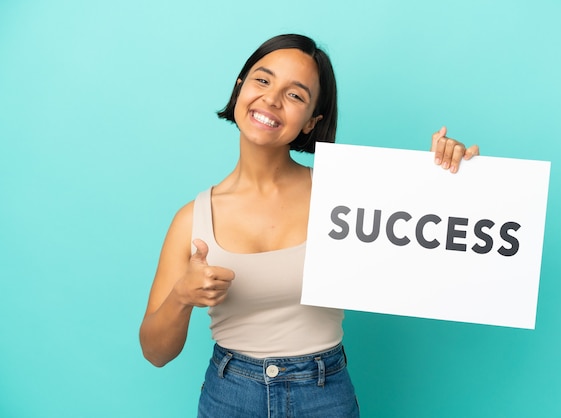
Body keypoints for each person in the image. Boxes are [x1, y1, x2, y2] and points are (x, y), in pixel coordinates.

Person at [139, 34, 479, 418]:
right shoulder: (193, 218)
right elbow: (155, 352)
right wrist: (182, 296)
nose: (271, 99)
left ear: (311, 122)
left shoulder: (344, 196)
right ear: (239, 89)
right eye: (263, 80)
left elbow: (433, 234)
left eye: (295, 95)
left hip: (324, 394)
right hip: (229, 395)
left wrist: (451, 174)